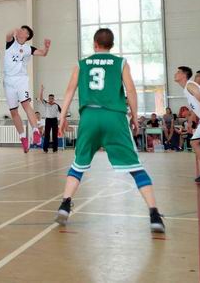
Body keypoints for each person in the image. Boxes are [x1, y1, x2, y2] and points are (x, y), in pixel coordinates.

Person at [54, 28, 165, 233]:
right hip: (114, 117)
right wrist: (134, 115)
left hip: (89, 116)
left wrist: (62, 117)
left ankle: (65, 204)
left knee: (78, 165)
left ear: (94, 44)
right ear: (111, 45)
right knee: (135, 166)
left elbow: (70, 90)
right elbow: (131, 90)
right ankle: (154, 214)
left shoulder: (81, 64)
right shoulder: (121, 63)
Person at [4, 25, 50, 153]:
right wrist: (14, 28)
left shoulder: (28, 48)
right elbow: (8, 35)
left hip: (21, 80)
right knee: (14, 111)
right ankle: (23, 137)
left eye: (24, 31)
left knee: (26, 104)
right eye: (20, 30)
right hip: (8, 81)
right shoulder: (11, 43)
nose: (21, 31)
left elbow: (43, 53)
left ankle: (36, 132)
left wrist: (46, 47)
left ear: (27, 36)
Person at [38, 84, 61, 153]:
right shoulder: (46, 103)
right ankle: (45, 149)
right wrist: (41, 90)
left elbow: (62, 112)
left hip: (54, 120)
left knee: (55, 135)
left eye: (52, 98)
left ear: (53, 99)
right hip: (48, 120)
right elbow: (41, 98)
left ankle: (55, 149)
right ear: (48, 99)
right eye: (50, 98)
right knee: (47, 135)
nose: (51, 99)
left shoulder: (56, 105)